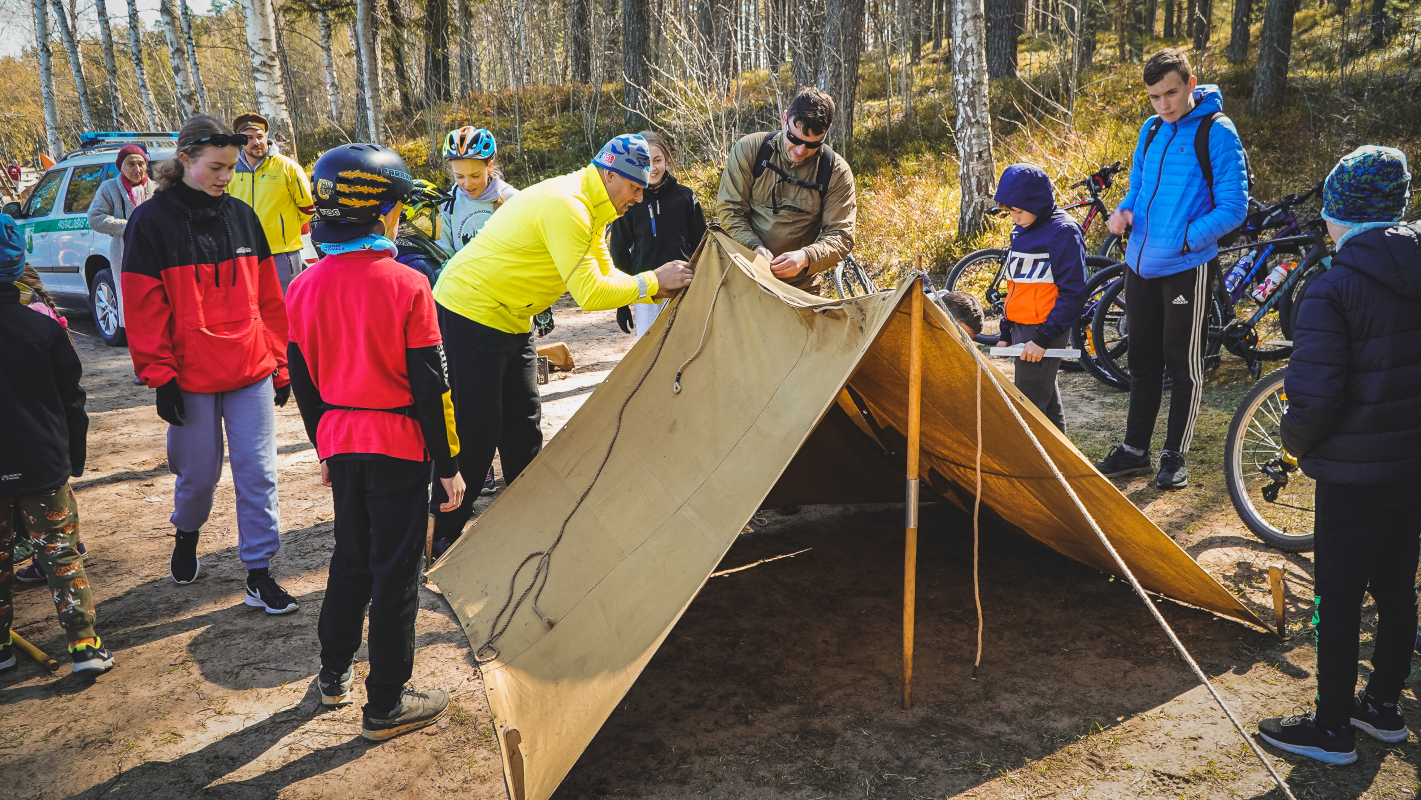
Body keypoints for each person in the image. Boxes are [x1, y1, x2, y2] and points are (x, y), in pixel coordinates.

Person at [428, 134, 693, 556]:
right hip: (471, 310)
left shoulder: (592, 208)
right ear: (610, 174)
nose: (640, 198)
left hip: (514, 316)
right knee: (478, 431)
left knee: (524, 427)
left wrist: (649, 288)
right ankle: (439, 538)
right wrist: (653, 281)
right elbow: (589, 294)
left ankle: (536, 527)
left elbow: (606, 273)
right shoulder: (568, 205)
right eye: (635, 186)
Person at [288, 143, 465, 739]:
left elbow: (306, 382)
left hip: (340, 437)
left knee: (351, 561)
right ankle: (386, 703)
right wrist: (450, 463)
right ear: (384, 209)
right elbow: (431, 383)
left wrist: (324, 448)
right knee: (396, 575)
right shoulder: (408, 283)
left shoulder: (303, 285)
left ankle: (333, 675)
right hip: (398, 443)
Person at [1256, 146, 1418, 766]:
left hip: (1354, 475)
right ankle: (1381, 707)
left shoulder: (1332, 289)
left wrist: (1292, 445)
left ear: (1342, 216)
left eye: (1329, 211)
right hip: (1413, 465)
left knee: (1339, 594)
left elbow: (1314, 397)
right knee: (1399, 586)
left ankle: (1330, 728)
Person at [121, 115, 297, 613]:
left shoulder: (243, 215)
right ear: (184, 161)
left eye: (230, 167)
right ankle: (187, 533)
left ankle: (259, 572)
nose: (226, 175)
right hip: (189, 376)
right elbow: (142, 305)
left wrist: (280, 363)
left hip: (250, 368)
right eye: (216, 167)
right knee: (197, 474)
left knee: (257, 472)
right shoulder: (151, 222)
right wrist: (160, 375)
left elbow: (269, 296)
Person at [1093, 49, 1248, 490]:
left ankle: (1173, 457)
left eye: (1171, 93)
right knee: (1142, 363)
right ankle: (1134, 451)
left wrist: (1185, 238)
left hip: (1185, 267)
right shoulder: (1151, 129)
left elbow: (1234, 208)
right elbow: (1138, 188)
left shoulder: (1217, 132)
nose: (1164, 104)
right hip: (1138, 265)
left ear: (1191, 82)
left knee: (1183, 366)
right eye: (1155, 96)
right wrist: (1123, 212)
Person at [0, 214, 114, 675]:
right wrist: (75, 458)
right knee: (60, 552)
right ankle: (84, 647)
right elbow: (73, 401)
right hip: (44, 463)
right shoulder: (45, 329)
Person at [716, 86, 856, 295]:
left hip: (801, 288)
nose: (800, 151)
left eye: (812, 144)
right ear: (784, 119)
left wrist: (806, 257)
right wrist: (755, 248)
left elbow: (841, 235)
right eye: (795, 139)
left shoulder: (836, 171)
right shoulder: (750, 150)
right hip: (745, 276)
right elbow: (729, 210)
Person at [990, 164, 1087, 434]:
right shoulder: (1021, 231)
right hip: (1023, 327)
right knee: (1045, 398)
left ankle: (1034, 471)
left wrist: (1043, 338)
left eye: (1018, 211)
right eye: (1009, 212)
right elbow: (1015, 285)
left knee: (1028, 407)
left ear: (1035, 202)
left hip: (1044, 328)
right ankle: (1064, 465)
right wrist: (1006, 331)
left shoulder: (1064, 232)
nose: (1014, 218)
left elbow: (1073, 292)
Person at [611, 131, 707, 340]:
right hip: (647, 291)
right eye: (645, 162)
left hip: (684, 287)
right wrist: (622, 303)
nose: (652, 168)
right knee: (651, 350)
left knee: (687, 346)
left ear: (667, 159)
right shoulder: (628, 200)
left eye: (658, 160)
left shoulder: (685, 196)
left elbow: (703, 245)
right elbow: (619, 252)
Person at [225, 113, 316, 292]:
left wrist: (284, 228)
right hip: (244, 253)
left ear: (267, 137)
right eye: (249, 138)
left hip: (283, 254)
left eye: (259, 136)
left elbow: (307, 208)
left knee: (287, 307)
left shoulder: (287, 167)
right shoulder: (229, 170)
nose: (256, 142)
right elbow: (224, 209)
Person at [88, 144, 156, 344]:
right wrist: (130, 227)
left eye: (141, 164)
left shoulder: (157, 189)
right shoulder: (109, 189)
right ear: (121, 167)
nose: (137, 169)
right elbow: (95, 217)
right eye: (131, 164)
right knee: (132, 304)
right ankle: (139, 359)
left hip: (155, 256)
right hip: (125, 254)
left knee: (156, 305)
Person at [438, 127, 519, 253]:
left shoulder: (514, 199)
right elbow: (443, 254)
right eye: (459, 176)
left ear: (489, 166)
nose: (467, 184)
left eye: (475, 175)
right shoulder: (447, 205)